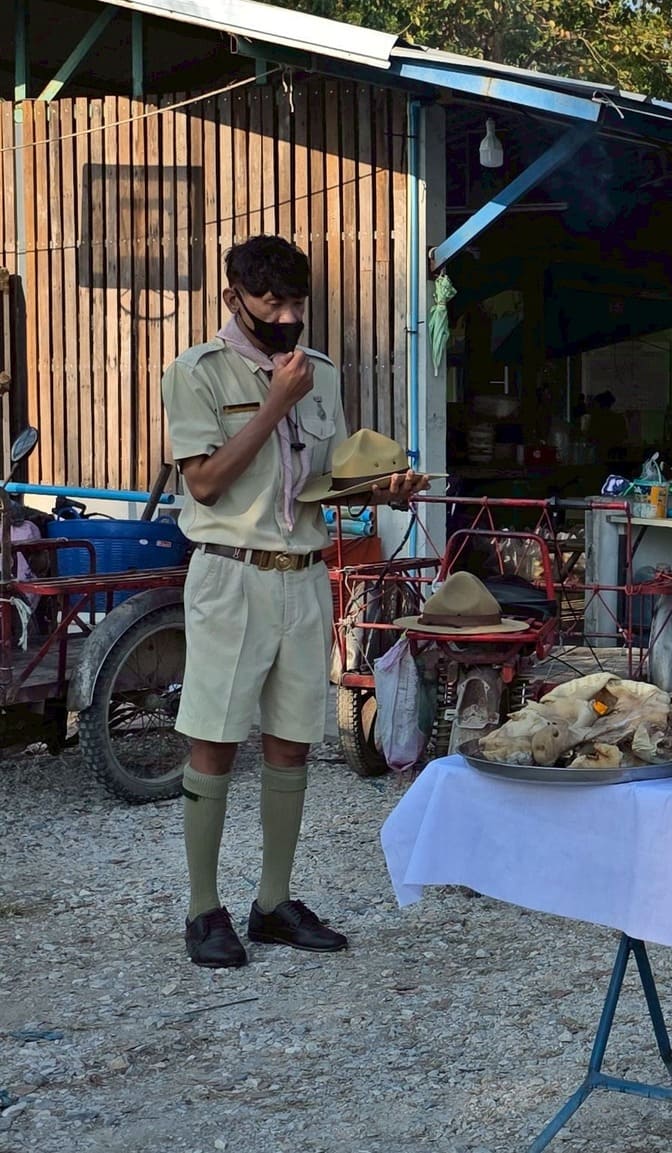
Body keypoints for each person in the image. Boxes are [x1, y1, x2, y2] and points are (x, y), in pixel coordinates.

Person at [164, 236, 430, 968]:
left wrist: (384, 490)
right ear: (234, 299)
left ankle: (273, 903)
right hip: (230, 574)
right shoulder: (196, 373)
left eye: (296, 303)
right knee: (215, 739)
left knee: (291, 740)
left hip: (306, 575)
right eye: (270, 302)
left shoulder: (321, 373)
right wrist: (275, 401)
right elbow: (204, 482)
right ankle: (202, 910)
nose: (286, 316)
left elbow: (327, 482)